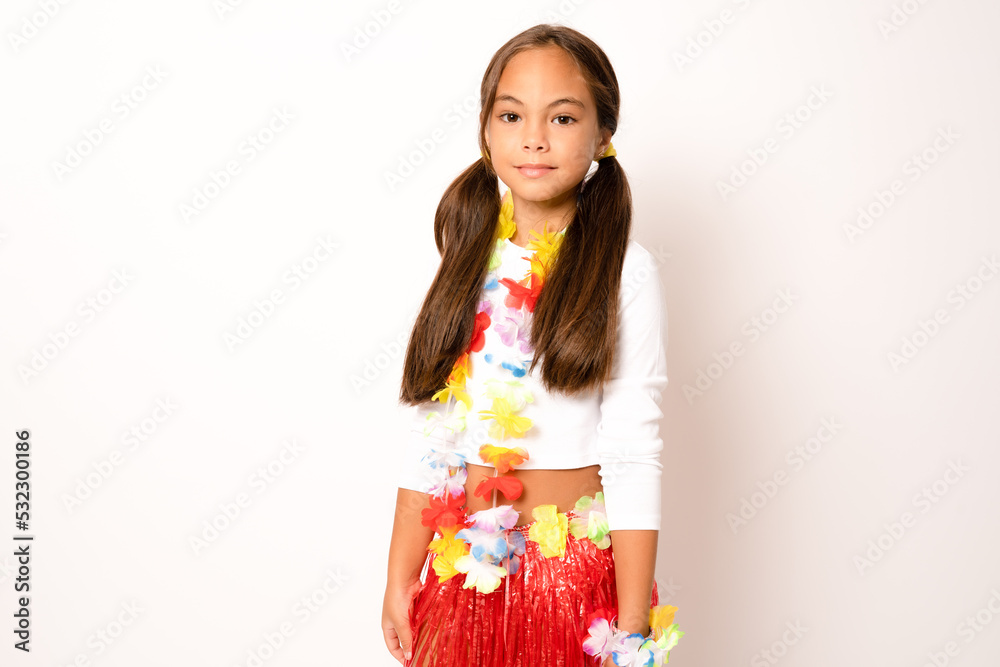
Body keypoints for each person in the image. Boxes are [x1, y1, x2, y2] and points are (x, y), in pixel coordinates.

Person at [382, 23, 684, 667]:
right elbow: (434, 432)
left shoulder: (624, 272)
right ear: (487, 133)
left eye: (564, 117)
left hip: (569, 582)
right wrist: (397, 576)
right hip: (463, 572)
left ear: (603, 136)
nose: (534, 137)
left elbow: (634, 453)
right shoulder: (465, 260)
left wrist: (631, 629)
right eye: (512, 114)